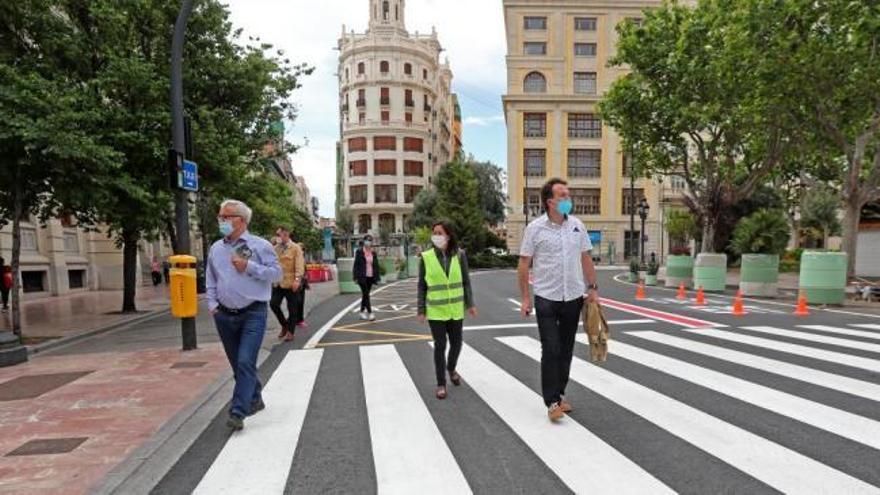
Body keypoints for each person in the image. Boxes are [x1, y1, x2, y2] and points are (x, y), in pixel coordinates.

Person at [518, 178, 599, 422]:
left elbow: (585, 258)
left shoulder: (577, 226)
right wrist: (525, 298)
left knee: (566, 349)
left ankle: (560, 394)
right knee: (551, 348)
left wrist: (593, 287)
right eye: (563, 196)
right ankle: (551, 401)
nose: (568, 199)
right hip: (546, 297)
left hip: (573, 296)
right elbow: (523, 264)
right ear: (549, 201)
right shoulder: (535, 228)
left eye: (568, 195)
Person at [206, 199, 282, 431]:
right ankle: (255, 397)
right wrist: (212, 304)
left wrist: (248, 267)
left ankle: (238, 411)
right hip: (224, 315)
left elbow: (276, 274)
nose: (221, 221)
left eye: (225, 217)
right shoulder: (216, 248)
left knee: (245, 361)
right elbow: (211, 277)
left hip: (253, 313)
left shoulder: (259, 246)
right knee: (237, 365)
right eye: (220, 217)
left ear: (241, 220)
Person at [417, 221, 477, 400]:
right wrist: (421, 309)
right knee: (440, 346)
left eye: (440, 233)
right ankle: (441, 383)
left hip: (455, 309)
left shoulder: (460, 255)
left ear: (448, 236)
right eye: (434, 232)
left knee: (457, 344)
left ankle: (451, 368)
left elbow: (466, 281)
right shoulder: (426, 257)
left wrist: (470, 304)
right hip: (435, 310)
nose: (436, 236)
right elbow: (422, 285)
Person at [270, 226, 304, 342]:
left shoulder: (295, 248)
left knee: (292, 308)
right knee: (273, 304)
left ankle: (290, 332)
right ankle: (284, 324)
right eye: (277, 235)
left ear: (286, 235)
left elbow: (299, 265)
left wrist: (297, 280)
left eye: (279, 235)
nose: (277, 237)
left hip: (291, 283)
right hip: (278, 282)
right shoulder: (275, 248)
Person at [353, 234, 381, 321]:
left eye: (370, 241)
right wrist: (355, 277)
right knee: (366, 294)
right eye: (367, 240)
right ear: (364, 241)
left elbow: (376, 266)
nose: (368, 242)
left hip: (370, 276)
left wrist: (377, 278)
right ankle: (370, 313)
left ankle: (361, 312)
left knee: (365, 295)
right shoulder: (359, 252)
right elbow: (356, 265)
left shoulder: (373, 253)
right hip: (362, 276)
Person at [292, 240, 309, 329]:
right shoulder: (294, 259)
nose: (301, 251)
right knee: (296, 302)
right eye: (300, 249)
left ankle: (300, 320)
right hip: (295, 283)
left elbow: (305, 271)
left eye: (302, 249)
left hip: (302, 284)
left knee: (301, 302)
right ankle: (294, 320)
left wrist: (306, 279)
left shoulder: (303, 259)